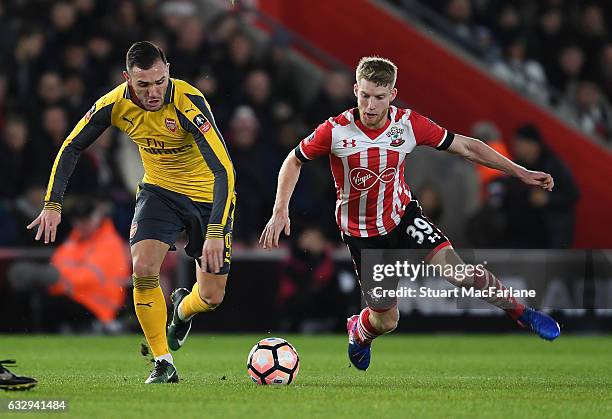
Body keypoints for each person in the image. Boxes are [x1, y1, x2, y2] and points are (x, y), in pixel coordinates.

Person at [260, 56, 561, 371]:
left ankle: (521, 313)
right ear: (355, 91)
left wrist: (519, 171)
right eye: (365, 96)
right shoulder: (335, 131)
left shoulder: (408, 124)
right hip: (363, 235)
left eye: (379, 96)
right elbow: (293, 161)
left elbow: (468, 147)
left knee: (458, 273)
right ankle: (360, 332)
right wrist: (280, 208)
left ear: (392, 94)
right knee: (387, 320)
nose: (371, 105)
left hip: (403, 217)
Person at [27, 41, 236, 383]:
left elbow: (224, 169)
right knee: (141, 267)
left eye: (159, 81)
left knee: (212, 297)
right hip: (160, 191)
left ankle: (181, 311)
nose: (154, 92)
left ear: (168, 71)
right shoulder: (114, 104)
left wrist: (215, 230)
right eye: (143, 84)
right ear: (127, 79)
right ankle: (162, 361)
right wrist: (52, 204)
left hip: (208, 196)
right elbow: (72, 145)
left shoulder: (188, 102)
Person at [8, 196, 130, 332]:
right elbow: (58, 263)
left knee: (48, 305)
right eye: (77, 220)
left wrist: (53, 277)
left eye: (85, 219)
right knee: (25, 299)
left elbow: (90, 277)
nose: (81, 224)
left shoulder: (109, 243)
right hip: (74, 297)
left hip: (99, 305)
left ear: (97, 217)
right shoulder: (74, 240)